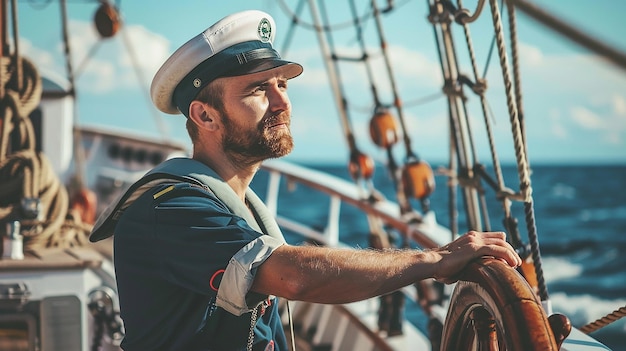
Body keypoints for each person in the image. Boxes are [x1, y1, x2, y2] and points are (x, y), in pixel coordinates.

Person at [89, 9, 522, 351]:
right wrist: (433, 262)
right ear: (204, 115)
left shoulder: (232, 204)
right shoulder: (169, 209)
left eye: (283, 84)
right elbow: (294, 276)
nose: (281, 102)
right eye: (259, 90)